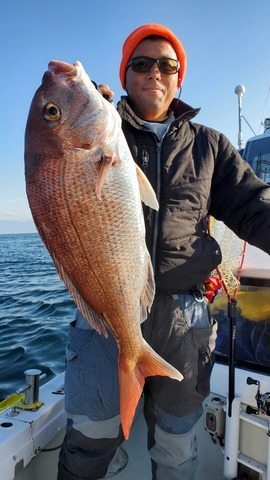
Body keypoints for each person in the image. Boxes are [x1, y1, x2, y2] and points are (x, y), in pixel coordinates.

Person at [57, 24, 270, 480]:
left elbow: (255, 207)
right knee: (89, 441)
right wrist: (87, 106)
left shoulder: (209, 145)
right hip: (103, 319)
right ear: (125, 75)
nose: (154, 72)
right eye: (141, 63)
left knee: (177, 448)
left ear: (179, 79)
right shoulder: (103, 133)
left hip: (183, 322)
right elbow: (59, 172)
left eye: (166, 65)